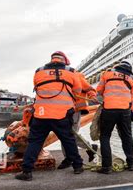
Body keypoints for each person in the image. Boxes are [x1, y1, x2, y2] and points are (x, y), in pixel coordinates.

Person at [15, 51, 84, 181]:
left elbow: (36, 87)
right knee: (68, 140)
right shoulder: (71, 71)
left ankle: (27, 171)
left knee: (34, 142)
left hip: (41, 114)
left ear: (52, 60)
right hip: (62, 114)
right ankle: (78, 166)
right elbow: (78, 90)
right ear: (64, 60)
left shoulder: (39, 71)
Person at [96, 59, 133, 174]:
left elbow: (99, 90)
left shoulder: (107, 74)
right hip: (125, 111)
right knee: (127, 136)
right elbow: (131, 100)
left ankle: (106, 167)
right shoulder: (132, 80)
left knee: (105, 136)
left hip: (109, 110)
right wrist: (130, 112)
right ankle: (131, 164)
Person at [57, 70, 98, 169]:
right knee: (65, 135)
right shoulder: (57, 76)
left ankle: (69, 158)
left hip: (75, 110)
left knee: (70, 134)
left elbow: (90, 89)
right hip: (62, 111)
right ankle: (88, 149)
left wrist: (92, 96)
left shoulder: (76, 76)